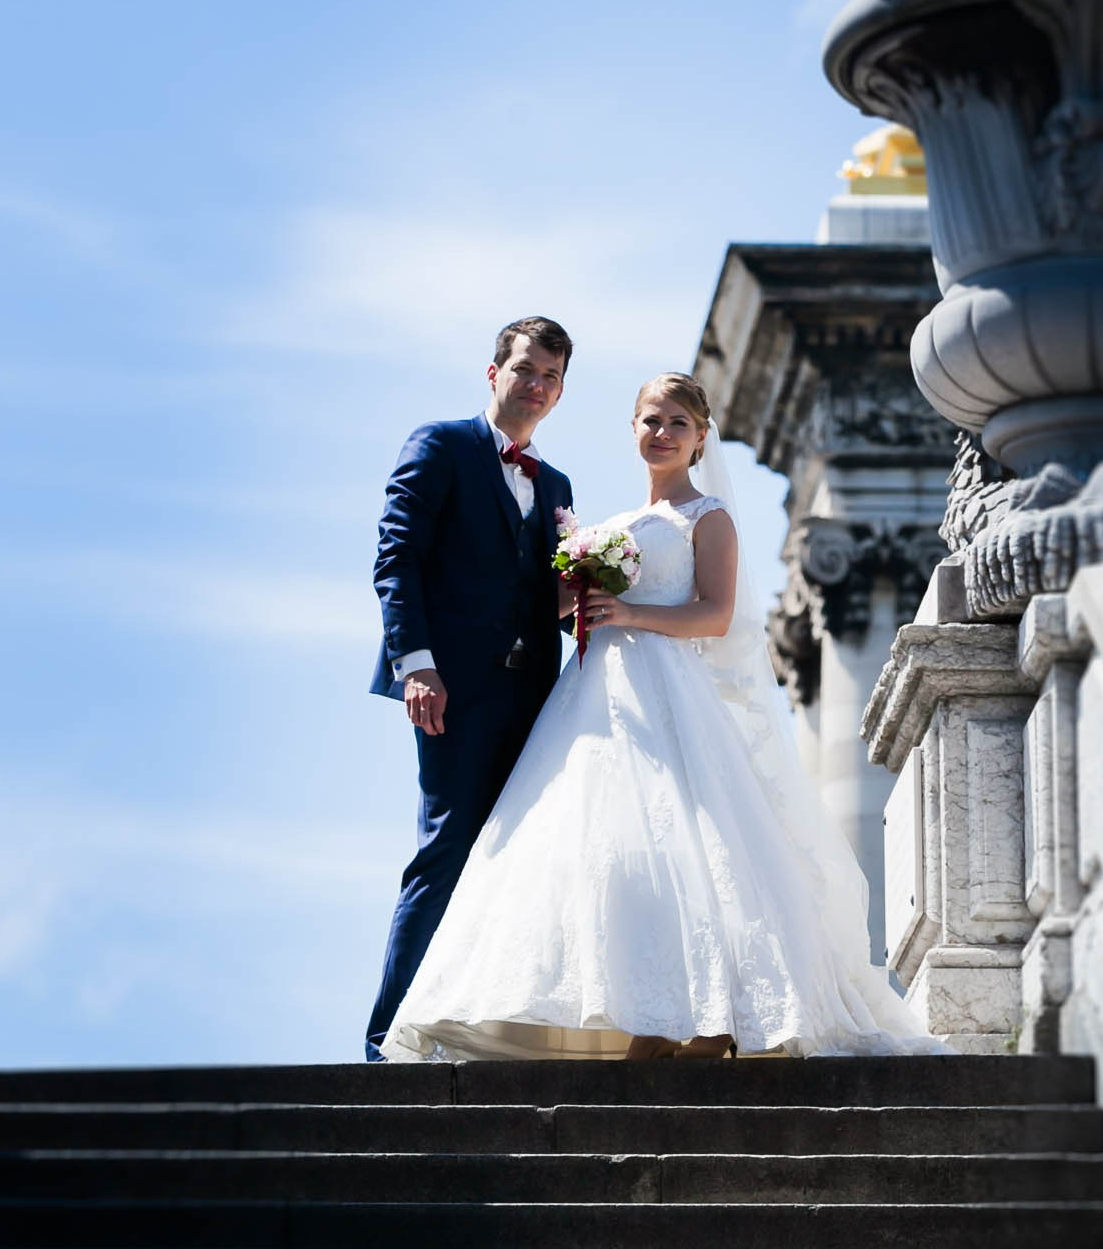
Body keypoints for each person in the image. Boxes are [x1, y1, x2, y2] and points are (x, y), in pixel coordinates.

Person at [378, 373, 946, 1061]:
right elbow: (548, 606)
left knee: (694, 847)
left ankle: (710, 1017)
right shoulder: (607, 529)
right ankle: (642, 1011)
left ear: (701, 435)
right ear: (633, 429)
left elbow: (715, 612)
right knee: (614, 854)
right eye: (650, 420)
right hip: (596, 699)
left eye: (678, 422)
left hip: (672, 694)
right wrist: (562, 579)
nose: (663, 433)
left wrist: (631, 613)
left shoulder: (709, 517)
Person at [361, 317, 577, 1063]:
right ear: (494, 373)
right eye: (525, 370)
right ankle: (388, 1038)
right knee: (447, 849)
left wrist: (596, 593)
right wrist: (415, 662)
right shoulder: (441, 443)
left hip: (535, 700)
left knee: (518, 861)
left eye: (550, 377)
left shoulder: (556, 484)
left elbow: (542, 597)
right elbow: (397, 555)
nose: (536, 386)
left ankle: (471, 1033)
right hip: (449, 690)